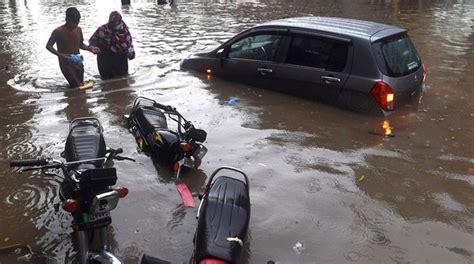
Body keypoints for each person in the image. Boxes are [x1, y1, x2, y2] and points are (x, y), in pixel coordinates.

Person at [46, 7, 99, 88]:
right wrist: (61, 55)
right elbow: (48, 46)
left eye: (77, 22)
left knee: (80, 86)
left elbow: (80, 44)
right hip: (65, 63)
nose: (75, 25)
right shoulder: (58, 31)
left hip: (78, 62)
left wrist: (90, 48)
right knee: (76, 86)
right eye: (73, 22)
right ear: (67, 19)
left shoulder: (78, 29)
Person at [89, 11, 135, 80]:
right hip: (106, 60)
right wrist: (94, 48)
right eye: (114, 24)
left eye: (117, 23)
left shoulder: (125, 31)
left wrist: (131, 54)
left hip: (121, 61)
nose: (116, 26)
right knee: (106, 82)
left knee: (123, 81)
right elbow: (93, 41)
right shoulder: (102, 30)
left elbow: (130, 47)